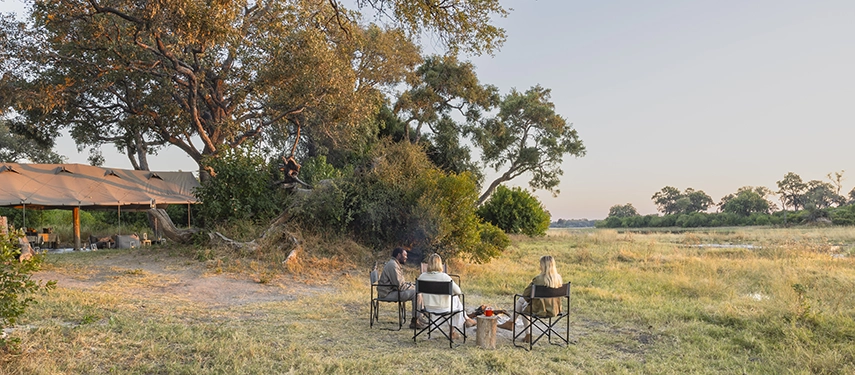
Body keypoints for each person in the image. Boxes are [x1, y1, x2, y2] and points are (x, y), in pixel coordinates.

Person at [498, 255, 563, 342]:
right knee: (523, 302)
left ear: (543, 265)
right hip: (554, 309)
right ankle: (511, 323)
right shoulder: (558, 278)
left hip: (540, 309)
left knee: (522, 304)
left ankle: (523, 331)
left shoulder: (538, 279)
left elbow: (526, 294)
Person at [417, 254, 476, 338]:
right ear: (440, 264)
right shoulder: (445, 277)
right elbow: (459, 292)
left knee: (453, 302)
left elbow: (417, 291)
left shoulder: (422, 276)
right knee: (455, 300)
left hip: (428, 308)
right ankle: (457, 328)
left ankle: (465, 320)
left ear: (429, 264)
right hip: (444, 308)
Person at [377, 247, 425, 329]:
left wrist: (411, 285)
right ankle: (416, 320)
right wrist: (411, 286)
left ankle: (419, 318)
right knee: (416, 293)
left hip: (391, 291)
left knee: (417, 290)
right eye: (405, 255)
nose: (406, 257)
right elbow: (400, 285)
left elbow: (400, 284)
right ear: (399, 255)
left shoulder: (394, 264)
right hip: (387, 294)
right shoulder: (393, 265)